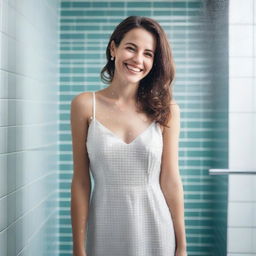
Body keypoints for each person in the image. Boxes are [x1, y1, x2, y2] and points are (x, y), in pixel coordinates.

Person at [70, 16, 187, 256]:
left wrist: (182, 246)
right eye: (131, 48)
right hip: (104, 227)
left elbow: (171, 180)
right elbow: (81, 182)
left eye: (148, 53)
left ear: (155, 61)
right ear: (114, 49)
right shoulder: (84, 105)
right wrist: (78, 249)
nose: (138, 59)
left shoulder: (167, 110)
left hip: (156, 226)